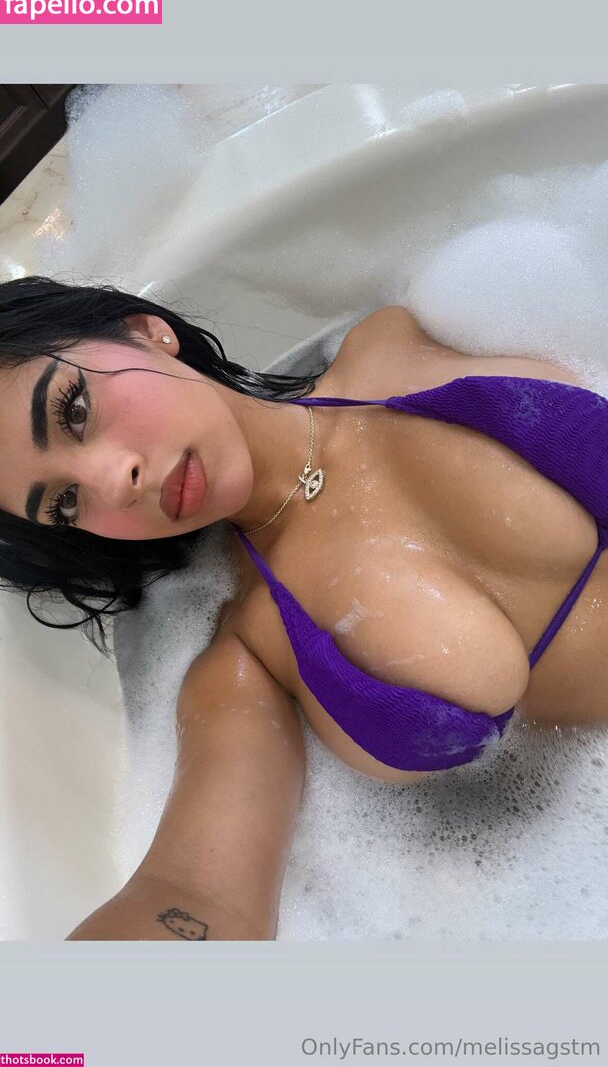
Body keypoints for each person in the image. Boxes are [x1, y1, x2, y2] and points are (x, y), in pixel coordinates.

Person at [0, 275, 606, 941]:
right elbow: (195, 892)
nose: (115, 482)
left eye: (74, 410)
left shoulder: (395, 341)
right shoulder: (252, 658)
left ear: (146, 333)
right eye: (65, 503)